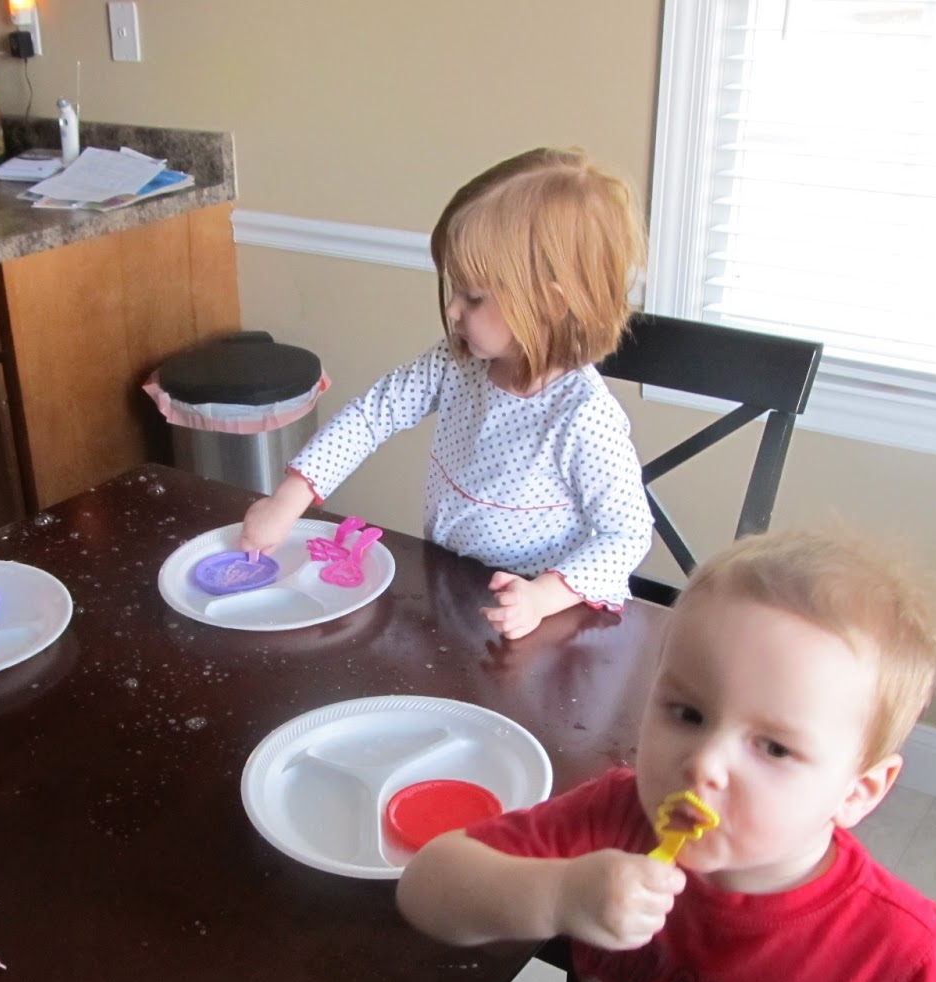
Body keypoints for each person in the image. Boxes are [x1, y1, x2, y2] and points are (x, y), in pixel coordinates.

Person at [396, 528, 936, 982]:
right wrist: (562, 892)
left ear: (857, 791)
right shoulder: (620, 814)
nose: (705, 763)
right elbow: (427, 888)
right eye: (688, 713)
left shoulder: (899, 956)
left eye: (773, 748)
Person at [239, 147, 654, 640]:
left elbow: (627, 535)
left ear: (549, 303)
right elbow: (373, 416)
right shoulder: (458, 361)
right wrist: (288, 500)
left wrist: (542, 597)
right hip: (456, 589)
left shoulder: (582, 417)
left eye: (473, 297)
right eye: (453, 289)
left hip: (544, 623)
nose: (453, 309)